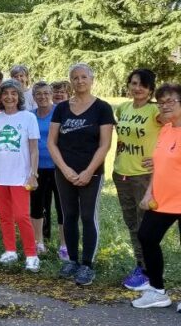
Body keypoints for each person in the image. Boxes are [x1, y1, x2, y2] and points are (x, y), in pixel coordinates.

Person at [48, 63, 114, 286]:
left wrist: (88, 171)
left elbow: (105, 145)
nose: (80, 81)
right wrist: (65, 169)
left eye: (84, 77)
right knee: (69, 216)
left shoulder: (102, 108)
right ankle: (73, 261)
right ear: (71, 81)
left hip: (91, 173)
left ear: (91, 79)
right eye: (75, 78)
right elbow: (51, 142)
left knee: (88, 217)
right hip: (64, 172)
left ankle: (87, 264)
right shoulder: (61, 108)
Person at [131, 83, 181, 309]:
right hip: (163, 199)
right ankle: (158, 291)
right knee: (147, 237)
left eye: (171, 101)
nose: (165, 106)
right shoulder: (166, 129)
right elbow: (159, 166)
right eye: (161, 102)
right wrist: (149, 192)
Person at [113, 69, 162, 290]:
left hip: (143, 176)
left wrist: (160, 159)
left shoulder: (155, 111)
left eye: (143, 84)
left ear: (151, 88)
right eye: (133, 83)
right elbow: (122, 139)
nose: (137, 88)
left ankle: (148, 270)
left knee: (145, 226)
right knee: (132, 223)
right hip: (121, 174)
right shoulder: (123, 108)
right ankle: (140, 266)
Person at [0, 80, 41, 271]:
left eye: (13, 93)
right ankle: (10, 250)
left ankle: (31, 254)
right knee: (4, 216)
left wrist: (33, 174)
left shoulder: (28, 118)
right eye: (5, 93)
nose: (9, 97)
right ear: (0, 97)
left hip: (20, 176)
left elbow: (34, 149)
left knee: (22, 215)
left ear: (19, 96)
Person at [29, 81, 67, 258]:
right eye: (39, 94)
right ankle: (38, 242)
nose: (42, 97)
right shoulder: (30, 116)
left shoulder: (59, 112)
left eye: (46, 93)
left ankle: (64, 245)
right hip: (36, 168)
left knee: (62, 206)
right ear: (34, 97)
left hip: (58, 167)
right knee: (36, 206)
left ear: (51, 94)